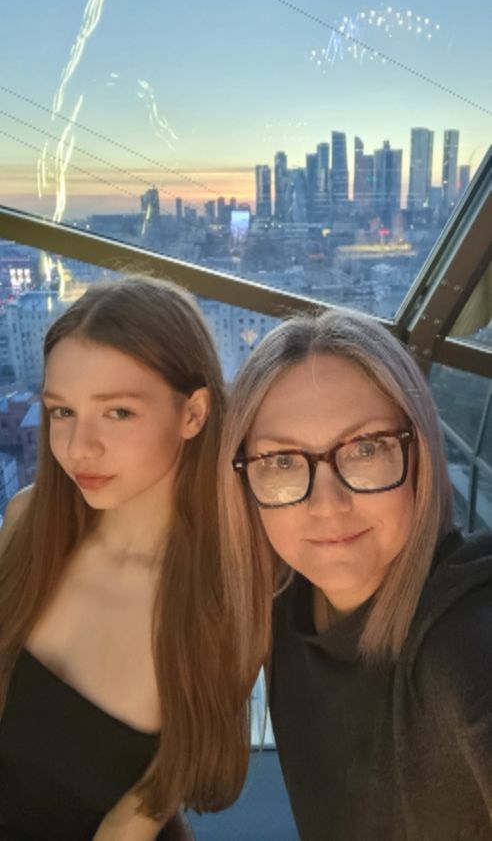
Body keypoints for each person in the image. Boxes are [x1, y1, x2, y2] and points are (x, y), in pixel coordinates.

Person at [218, 307, 492, 841]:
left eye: (366, 449)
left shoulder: (463, 639)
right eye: (281, 461)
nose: (328, 504)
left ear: (421, 454)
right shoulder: (283, 601)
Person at [0, 276, 253, 841]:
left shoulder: (222, 598)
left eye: (117, 412)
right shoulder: (27, 523)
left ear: (193, 414)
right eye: (62, 412)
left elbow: (139, 813)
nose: (79, 447)